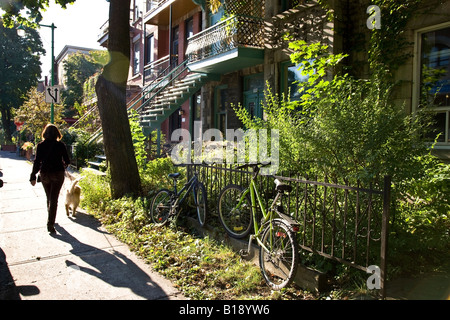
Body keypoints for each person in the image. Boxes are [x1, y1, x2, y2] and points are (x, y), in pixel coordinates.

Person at [30, 124, 70, 234]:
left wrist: (32, 176)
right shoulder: (61, 145)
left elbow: (37, 162)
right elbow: (67, 161)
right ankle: (50, 223)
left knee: (49, 197)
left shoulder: (40, 145)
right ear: (57, 134)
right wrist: (63, 164)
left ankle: (51, 219)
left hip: (45, 174)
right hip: (58, 173)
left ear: (45, 133)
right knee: (54, 198)